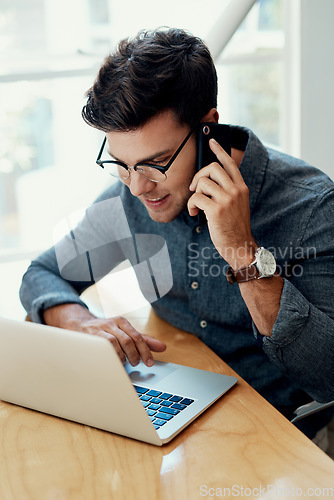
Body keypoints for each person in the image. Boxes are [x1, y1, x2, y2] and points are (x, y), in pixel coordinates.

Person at [20, 27, 334, 442]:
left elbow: (327, 375)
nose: (136, 187)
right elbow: (43, 273)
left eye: (157, 162)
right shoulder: (133, 193)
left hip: (281, 432)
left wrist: (243, 253)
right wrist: (80, 323)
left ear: (208, 128)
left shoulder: (311, 207)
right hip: (176, 410)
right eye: (120, 163)